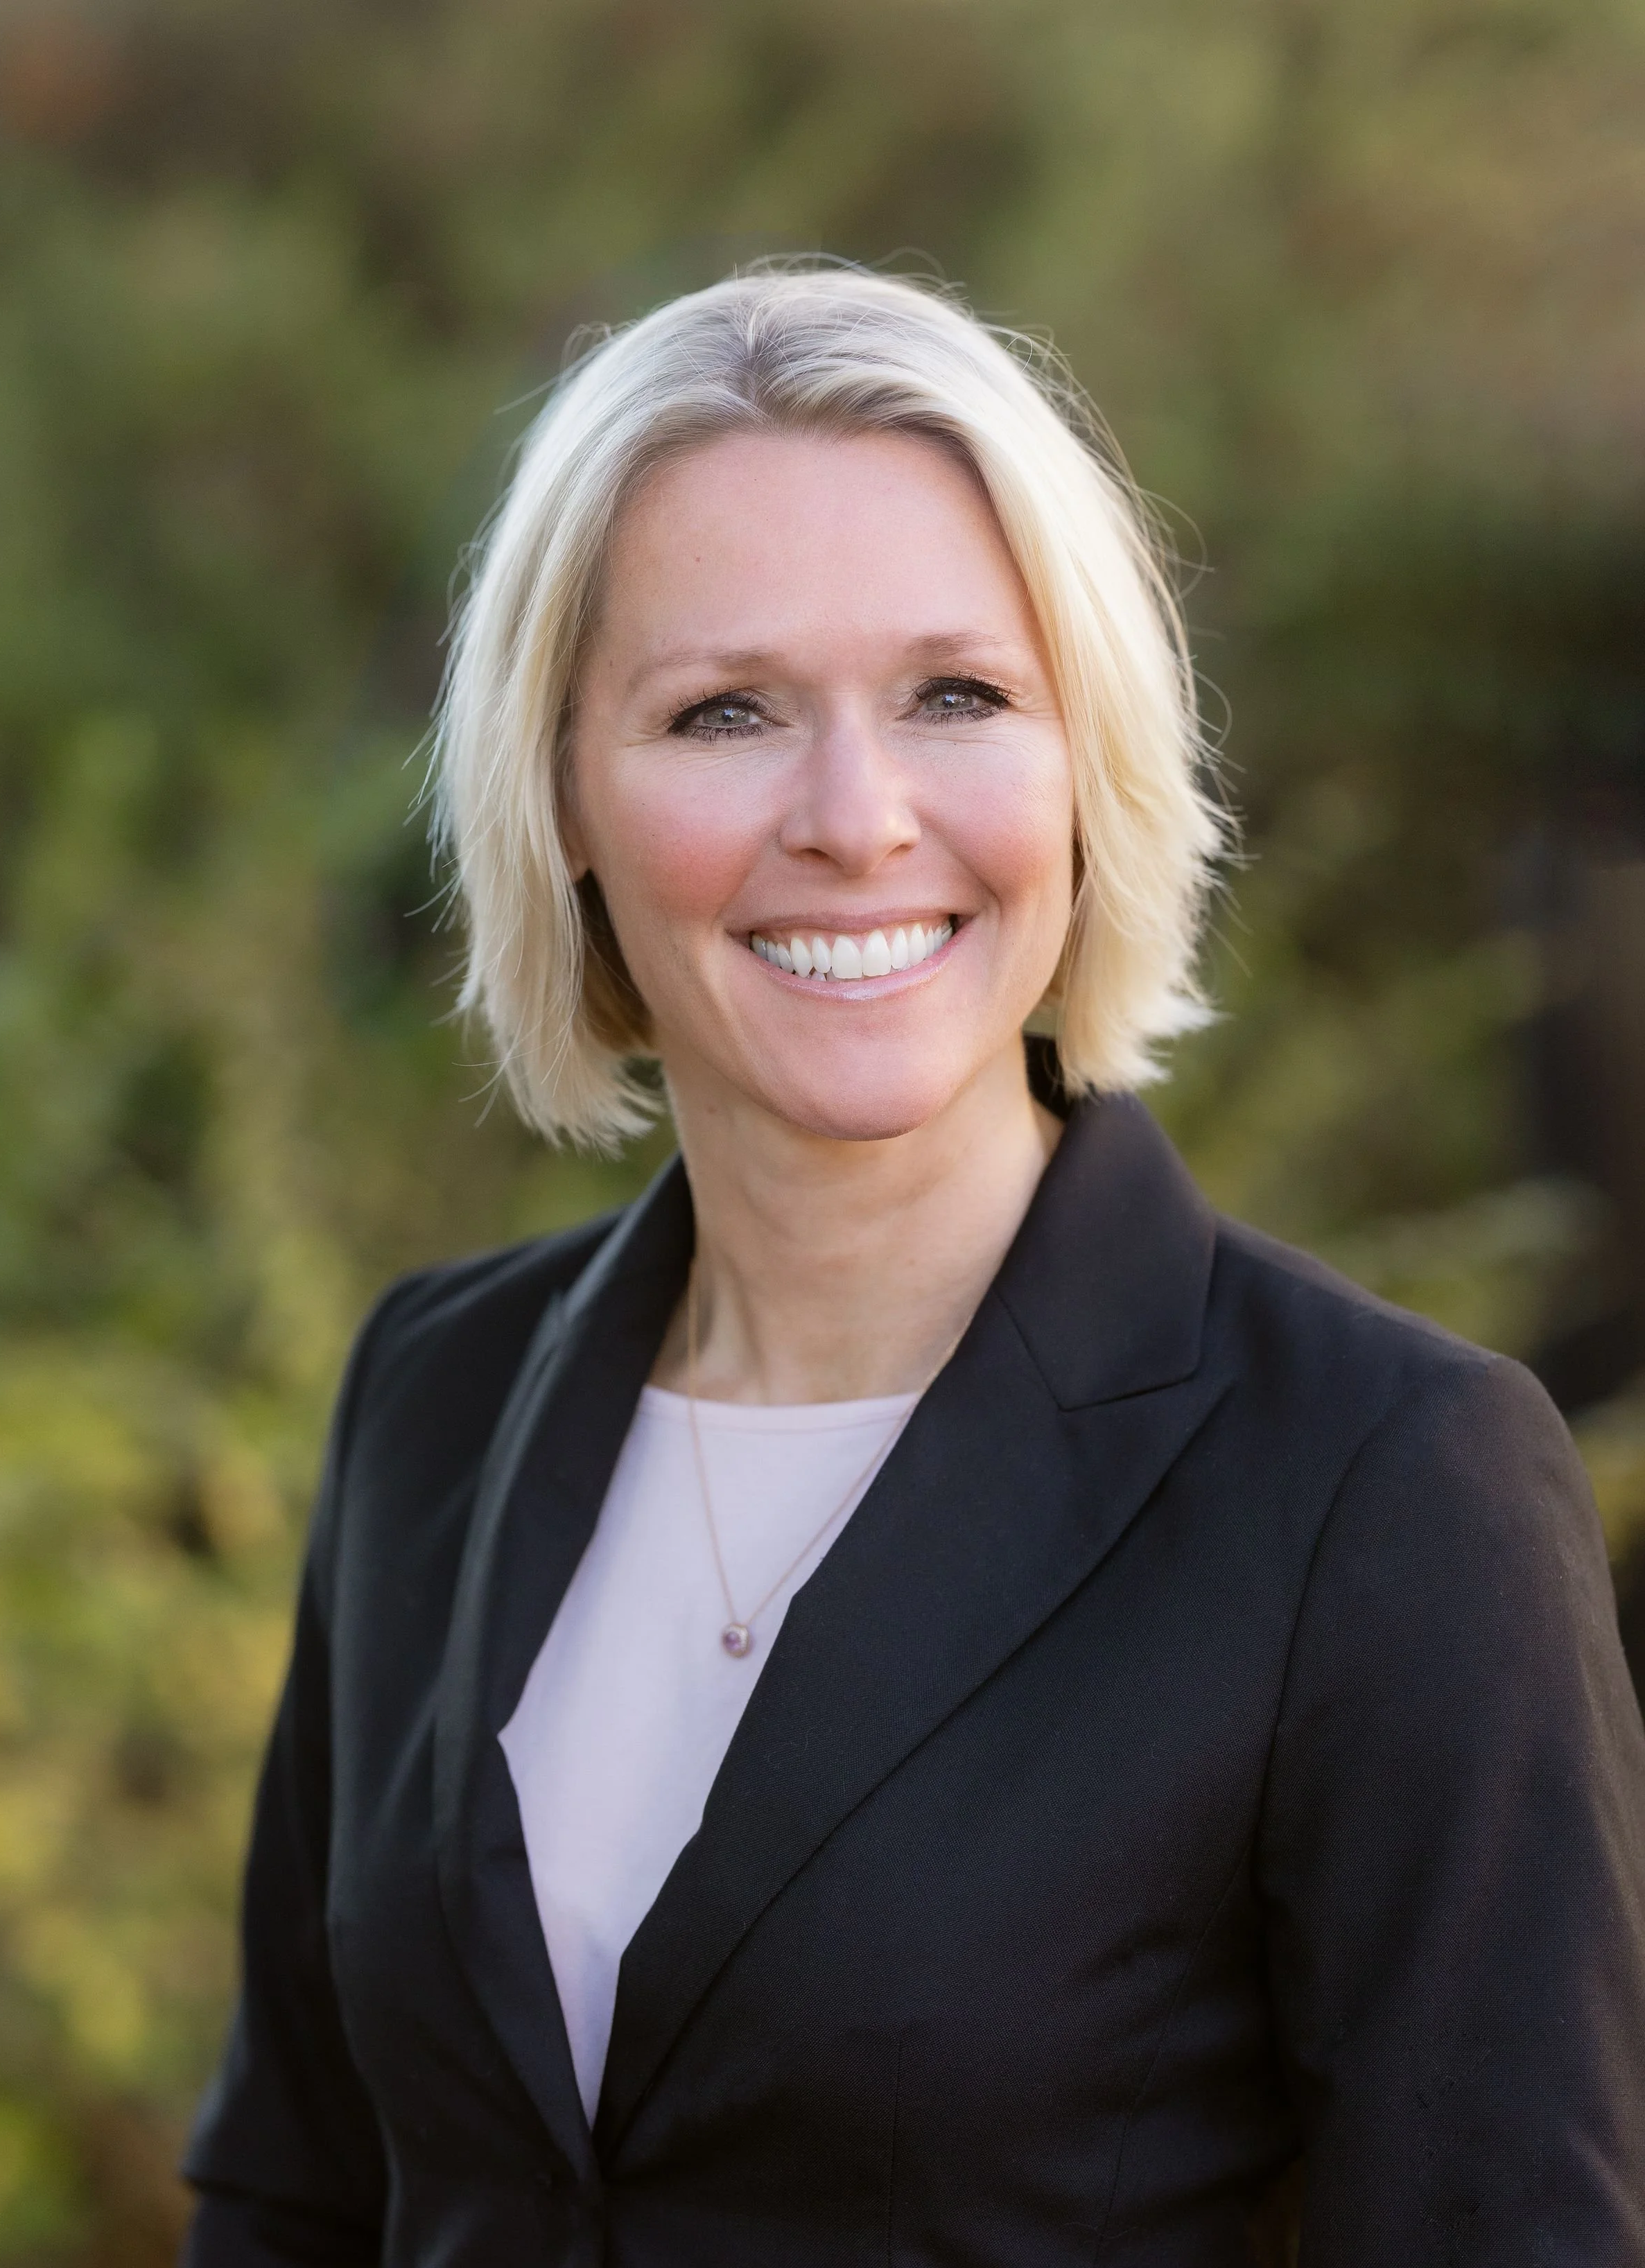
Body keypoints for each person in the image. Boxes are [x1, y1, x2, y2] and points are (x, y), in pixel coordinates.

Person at [181, 263, 1645, 2267]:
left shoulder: (1392, 1487)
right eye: (726, 712)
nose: (859, 821)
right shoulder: (431, 1396)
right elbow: (291, 2192)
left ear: (1082, 765)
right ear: (563, 800)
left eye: (958, 694)